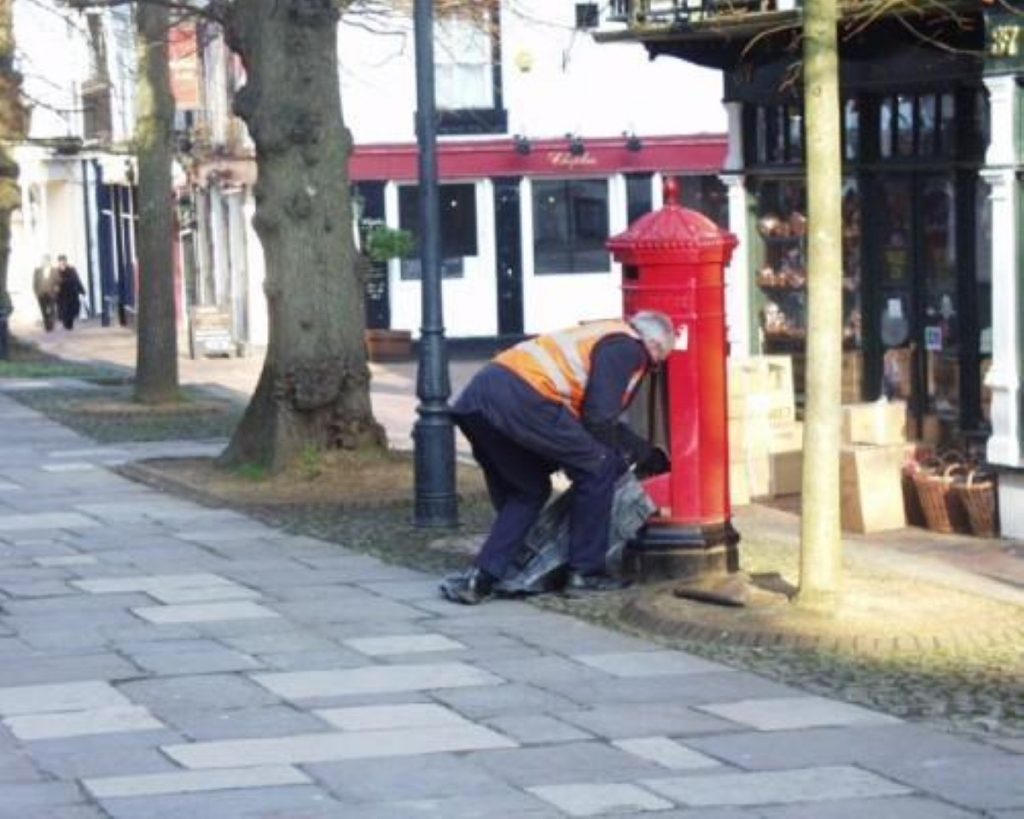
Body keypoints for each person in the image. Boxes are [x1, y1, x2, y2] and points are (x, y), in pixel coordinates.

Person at [442, 310, 674, 605]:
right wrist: (616, 459)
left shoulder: (601, 333)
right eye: (657, 364)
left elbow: (588, 416)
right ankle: (585, 573)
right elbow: (599, 418)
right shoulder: (628, 348)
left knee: (527, 490)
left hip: (478, 398)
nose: (650, 369)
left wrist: (640, 451)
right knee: (599, 468)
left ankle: (481, 578)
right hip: (523, 398)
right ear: (653, 345)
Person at [54, 255, 85, 330]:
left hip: (71, 293)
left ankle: (69, 325)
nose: (62, 262)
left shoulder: (71, 269)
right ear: (58, 262)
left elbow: (76, 279)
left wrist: (82, 290)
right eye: (60, 261)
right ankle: (66, 325)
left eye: (63, 261)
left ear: (66, 261)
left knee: (70, 311)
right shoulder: (56, 271)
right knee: (63, 311)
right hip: (61, 295)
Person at [31, 255, 56, 331]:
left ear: (49, 262)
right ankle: (47, 326)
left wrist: (56, 290)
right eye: (44, 261)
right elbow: (34, 283)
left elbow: (58, 281)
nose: (45, 262)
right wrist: (36, 293)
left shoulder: (54, 270)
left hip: (51, 293)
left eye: (46, 261)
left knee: (52, 310)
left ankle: (51, 324)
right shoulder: (37, 270)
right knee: (44, 311)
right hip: (41, 294)